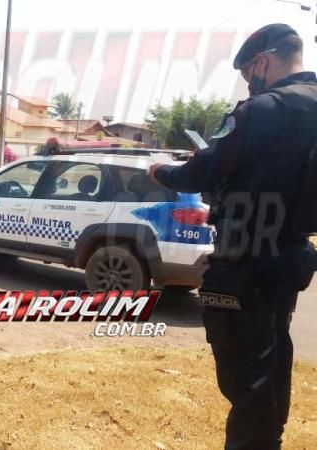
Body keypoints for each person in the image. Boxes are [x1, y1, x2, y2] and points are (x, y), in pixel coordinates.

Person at [148, 24, 317, 449]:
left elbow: (203, 171)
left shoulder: (264, 109)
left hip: (245, 259)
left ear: (262, 61)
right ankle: (270, 439)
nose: (248, 81)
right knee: (273, 353)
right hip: (290, 254)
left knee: (246, 375)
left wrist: (163, 171)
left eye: (247, 72)